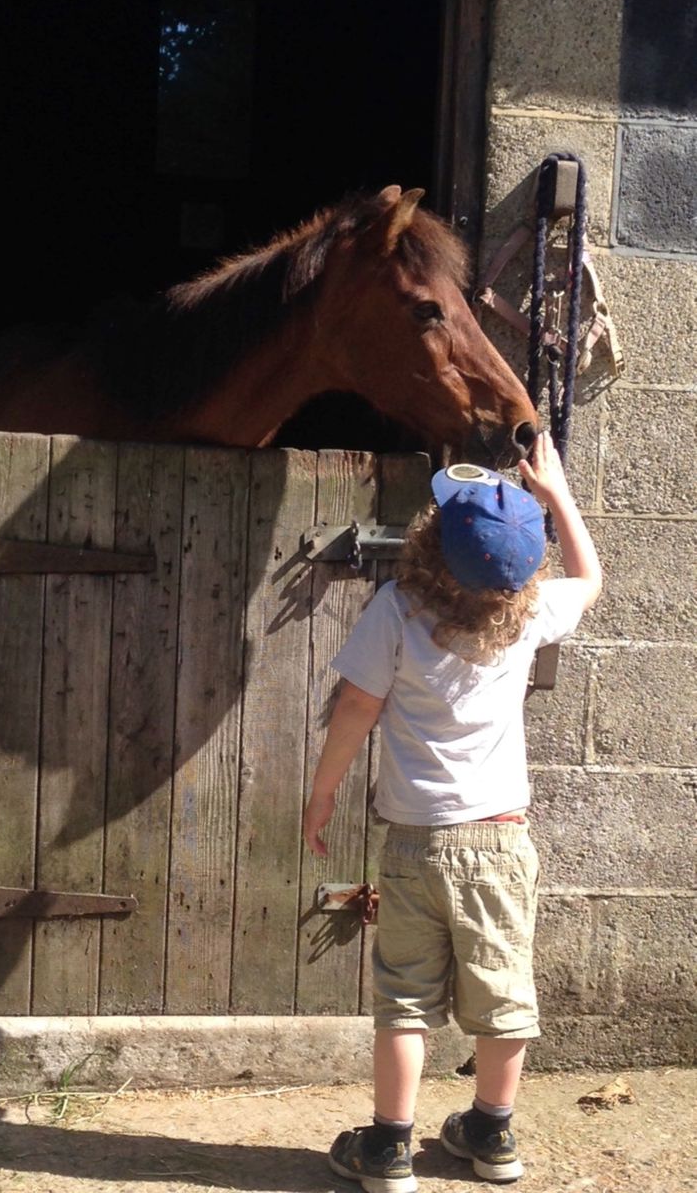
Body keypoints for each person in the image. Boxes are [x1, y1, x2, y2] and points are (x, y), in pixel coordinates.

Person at [303, 432, 602, 1192]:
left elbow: (356, 708)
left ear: (431, 542)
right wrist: (559, 496)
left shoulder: (397, 609)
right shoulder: (531, 613)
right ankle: (492, 1137)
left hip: (413, 844)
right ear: (523, 566)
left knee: (403, 999)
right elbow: (591, 577)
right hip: (501, 842)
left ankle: (389, 1149)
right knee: (504, 997)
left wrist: (325, 791)